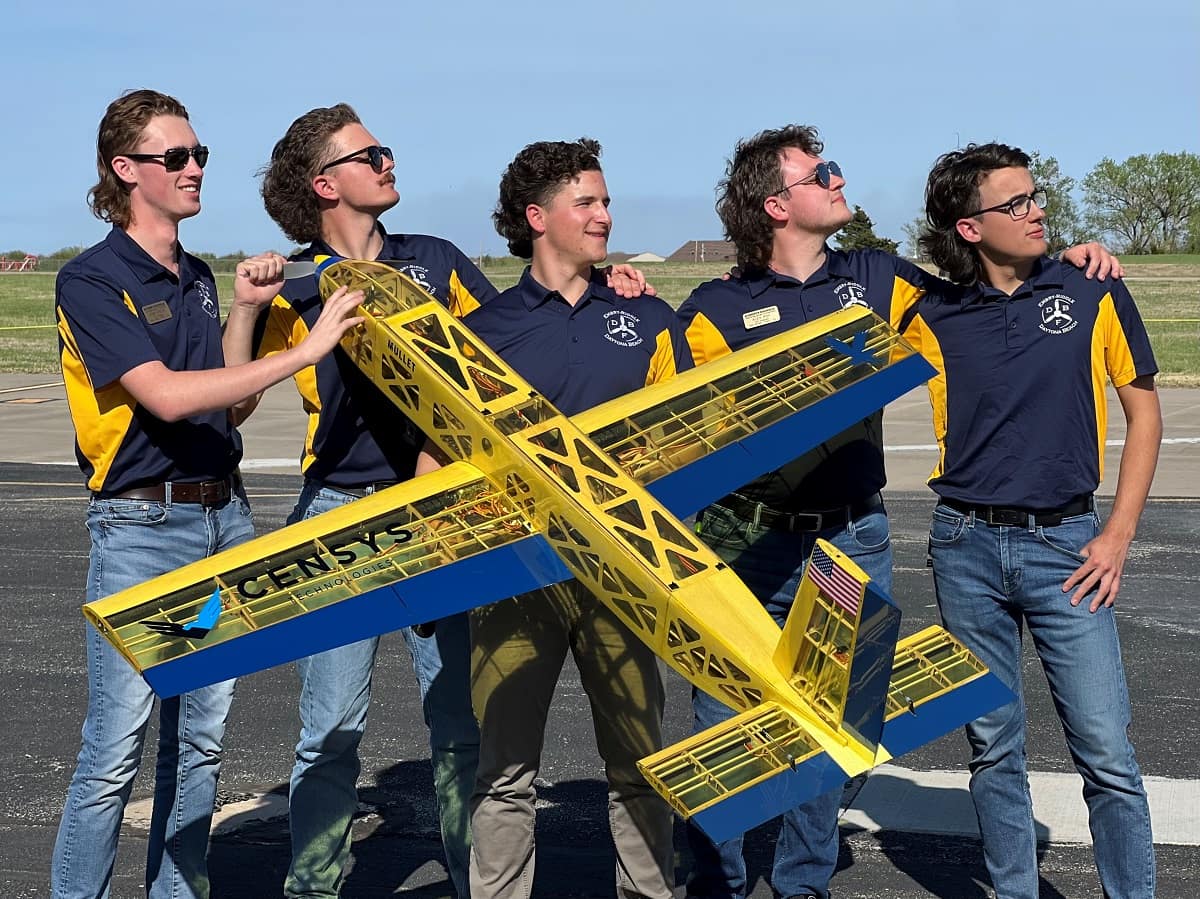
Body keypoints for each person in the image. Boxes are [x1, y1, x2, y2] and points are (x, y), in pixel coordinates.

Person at [674, 125, 1121, 899]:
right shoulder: (714, 306)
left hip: (853, 536)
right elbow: (681, 426)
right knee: (721, 728)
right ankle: (715, 882)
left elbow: (981, 293)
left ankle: (803, 884)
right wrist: (627, 289)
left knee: (833, 727)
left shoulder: (881, 278)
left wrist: (1065, 261)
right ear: (777, 204)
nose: (842, 179)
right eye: (824, 173)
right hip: (743, 545)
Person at [51, 89, 361, 899]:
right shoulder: (91, 279)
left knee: (201, 742)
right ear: (126, 172)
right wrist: (308, 349)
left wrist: (251, 311)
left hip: (223, 517)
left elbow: (226, 399)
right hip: (142, 528)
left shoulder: (194, 275)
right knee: (114, 746)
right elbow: (164, 397)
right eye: (175, 158)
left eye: (199, 156)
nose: (194, 170)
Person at [222, 103, 494, 899]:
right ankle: (312, 884)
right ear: (324, 183)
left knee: (457, 727)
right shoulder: (293, 282)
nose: (387, 161)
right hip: (337, 514)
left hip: (440, 512)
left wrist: (604, 277)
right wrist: (243, 305)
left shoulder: (436, 260)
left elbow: (504, 351)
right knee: (329, 730)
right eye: (368, 152)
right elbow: (234, 408)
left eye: (385, 149)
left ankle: (479, 880)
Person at [901, 141, 1159, 899]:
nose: (1037, 209)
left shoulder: (1092, 289)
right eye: (1014, 203)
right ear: (970, 228)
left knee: (1106, 749)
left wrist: (1116, 535)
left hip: (1068, 545)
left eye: (1035, 196)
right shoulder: (930, 311)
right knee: (991, 746)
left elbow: (1144, 417)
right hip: (963, 545)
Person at [458, 138, 689, 899]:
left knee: (641, 763)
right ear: (536, 217)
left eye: (605, 200)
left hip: (623, 566)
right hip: (515, 571)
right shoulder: (482, 333)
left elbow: (688, 440)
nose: (604, 214)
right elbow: (442, 458)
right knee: (505, 772)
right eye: (586, 201)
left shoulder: (648, 314)